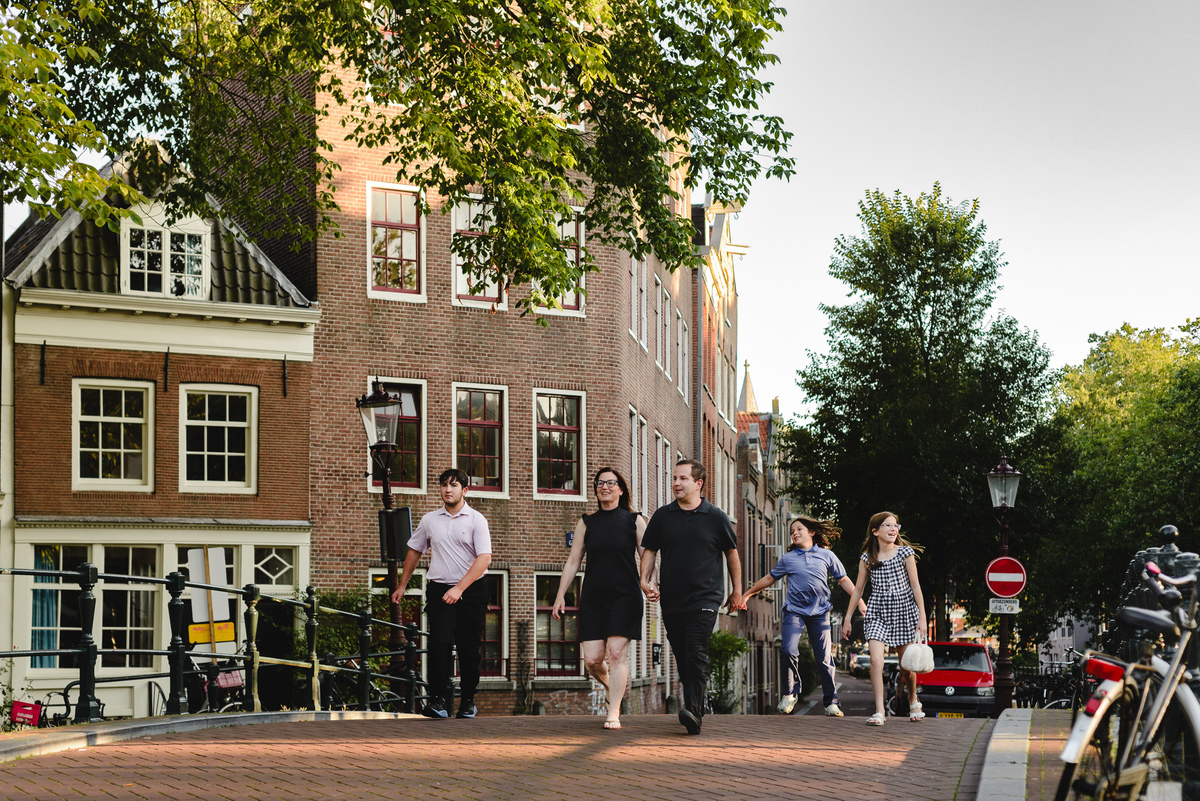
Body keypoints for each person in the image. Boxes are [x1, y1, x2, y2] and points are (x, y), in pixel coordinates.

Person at [639, 458, 742, 735]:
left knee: (695, 652)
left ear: (698, 483)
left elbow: (732, 554)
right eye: (674, 477)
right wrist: (644, 579)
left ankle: (694, 711)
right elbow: (649, 550)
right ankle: (698, 704)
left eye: (682, 478)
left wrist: (737, 590)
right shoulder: (662, 516)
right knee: (683, 656)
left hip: (705, 600)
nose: (676, 483)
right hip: (672, 600)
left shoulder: (716, 517)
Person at [739, 516, 866, 717]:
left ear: (812, 532)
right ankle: (789, 694)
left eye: (799, 529)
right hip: (794, 610)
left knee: (824, 658)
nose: (795, 533)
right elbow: (770, 578)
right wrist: (747, 594)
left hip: (820, 612)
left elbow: (843, 579)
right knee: (788, 650)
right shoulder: (788, 558)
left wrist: (859, 601)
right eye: (792, 531)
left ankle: (831, 702)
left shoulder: (827, 555)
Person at [551, 468, 647, 730]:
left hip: (625, 596)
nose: (604, 487)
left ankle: (613, 711)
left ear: (621, 489)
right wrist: (561, 595)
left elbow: (647, 558)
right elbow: (573, 562)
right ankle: (610, 686)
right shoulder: (587, 523)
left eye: (610, 483)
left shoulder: (634, 521)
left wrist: (649, 583)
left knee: (616, 654)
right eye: (599, 483)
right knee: (593, 660)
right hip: (593, 596)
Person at [392, 468, 492, 720]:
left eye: (454, 485)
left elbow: (484, 559)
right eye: (444, 484)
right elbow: (414, 551)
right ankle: (438, 700)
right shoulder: (429, 520)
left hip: (471, 590)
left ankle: (467, 701)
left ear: (465, 490)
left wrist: (459, 588)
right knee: (439, 644)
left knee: (469, 649)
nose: (448, 489)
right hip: (439, 589)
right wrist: (403, 585)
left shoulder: (476, 520)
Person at [840, 511, 927, 726]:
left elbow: (916, 586)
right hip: (877, 611)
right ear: (875, 531)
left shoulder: (905, 553)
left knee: (906, 665)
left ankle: (913, 699)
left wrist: (922, 617)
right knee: (876, 660)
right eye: (888, 525)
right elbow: (858, 590)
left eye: (895, 525)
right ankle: (880, 711)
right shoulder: (867, 558)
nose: (893, 529)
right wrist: (848, 617)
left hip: (905, 610)